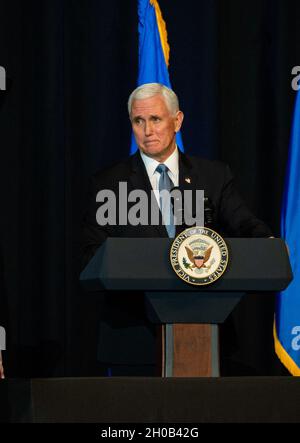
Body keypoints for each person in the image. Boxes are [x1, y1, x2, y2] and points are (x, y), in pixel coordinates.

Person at [80, 83, 272, 376]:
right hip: (133, 338)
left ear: (177, 120)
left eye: (155, 119)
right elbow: (92, 256)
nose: (147, 130)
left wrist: (266, 243)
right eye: (138, 121)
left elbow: (245, 223)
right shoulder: (108, 183)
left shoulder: (213, 176)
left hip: (204, 334)